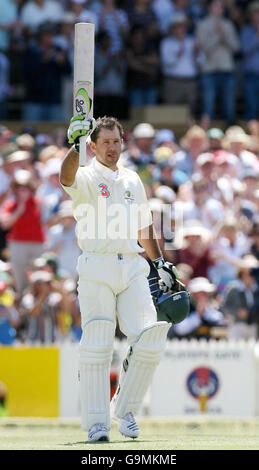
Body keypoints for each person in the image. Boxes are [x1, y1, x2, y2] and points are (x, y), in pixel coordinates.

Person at [59, 113, 184, 442]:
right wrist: (74, 148)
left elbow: (145, 227)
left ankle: (125, 410)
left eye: (116, 141)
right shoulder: (85, 175)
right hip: (96, 266)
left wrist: (161, 264)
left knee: (150, 337)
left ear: (122, 142)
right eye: (105, 142)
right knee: (98, 342)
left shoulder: (132, 180)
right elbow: (66, 177)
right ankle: (97, 423)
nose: (112, 147)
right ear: (93, 145)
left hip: (132, 266)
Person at [196, 0, 239, 127]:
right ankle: (208, 134)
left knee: (229, 105)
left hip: (227, 69)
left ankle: (230, 132)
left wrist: (224, 36)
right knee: (208, 104)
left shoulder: (229, 25)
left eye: (221, 7)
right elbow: (203, 49)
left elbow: (236, 48)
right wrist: (217, 36)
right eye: (216, 6)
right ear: (209, 8)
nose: (219, 9)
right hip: (209, 70)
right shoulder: (202, 25)